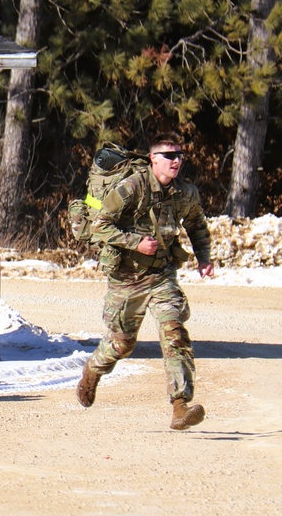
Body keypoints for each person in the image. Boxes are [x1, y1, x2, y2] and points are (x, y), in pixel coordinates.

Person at [76, 132, 214, 430]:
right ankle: (92, 371)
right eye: (169, 156)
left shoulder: (185, 193)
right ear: (153, 159)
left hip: (161, 275)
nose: (176, 161)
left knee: (174, 333)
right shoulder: (131, 187)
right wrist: (135, 242)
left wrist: (204, 257)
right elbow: (100, 226)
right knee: (123, 343)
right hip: (127, 276)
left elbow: (196, 224)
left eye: (179, 155)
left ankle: (180, 406)